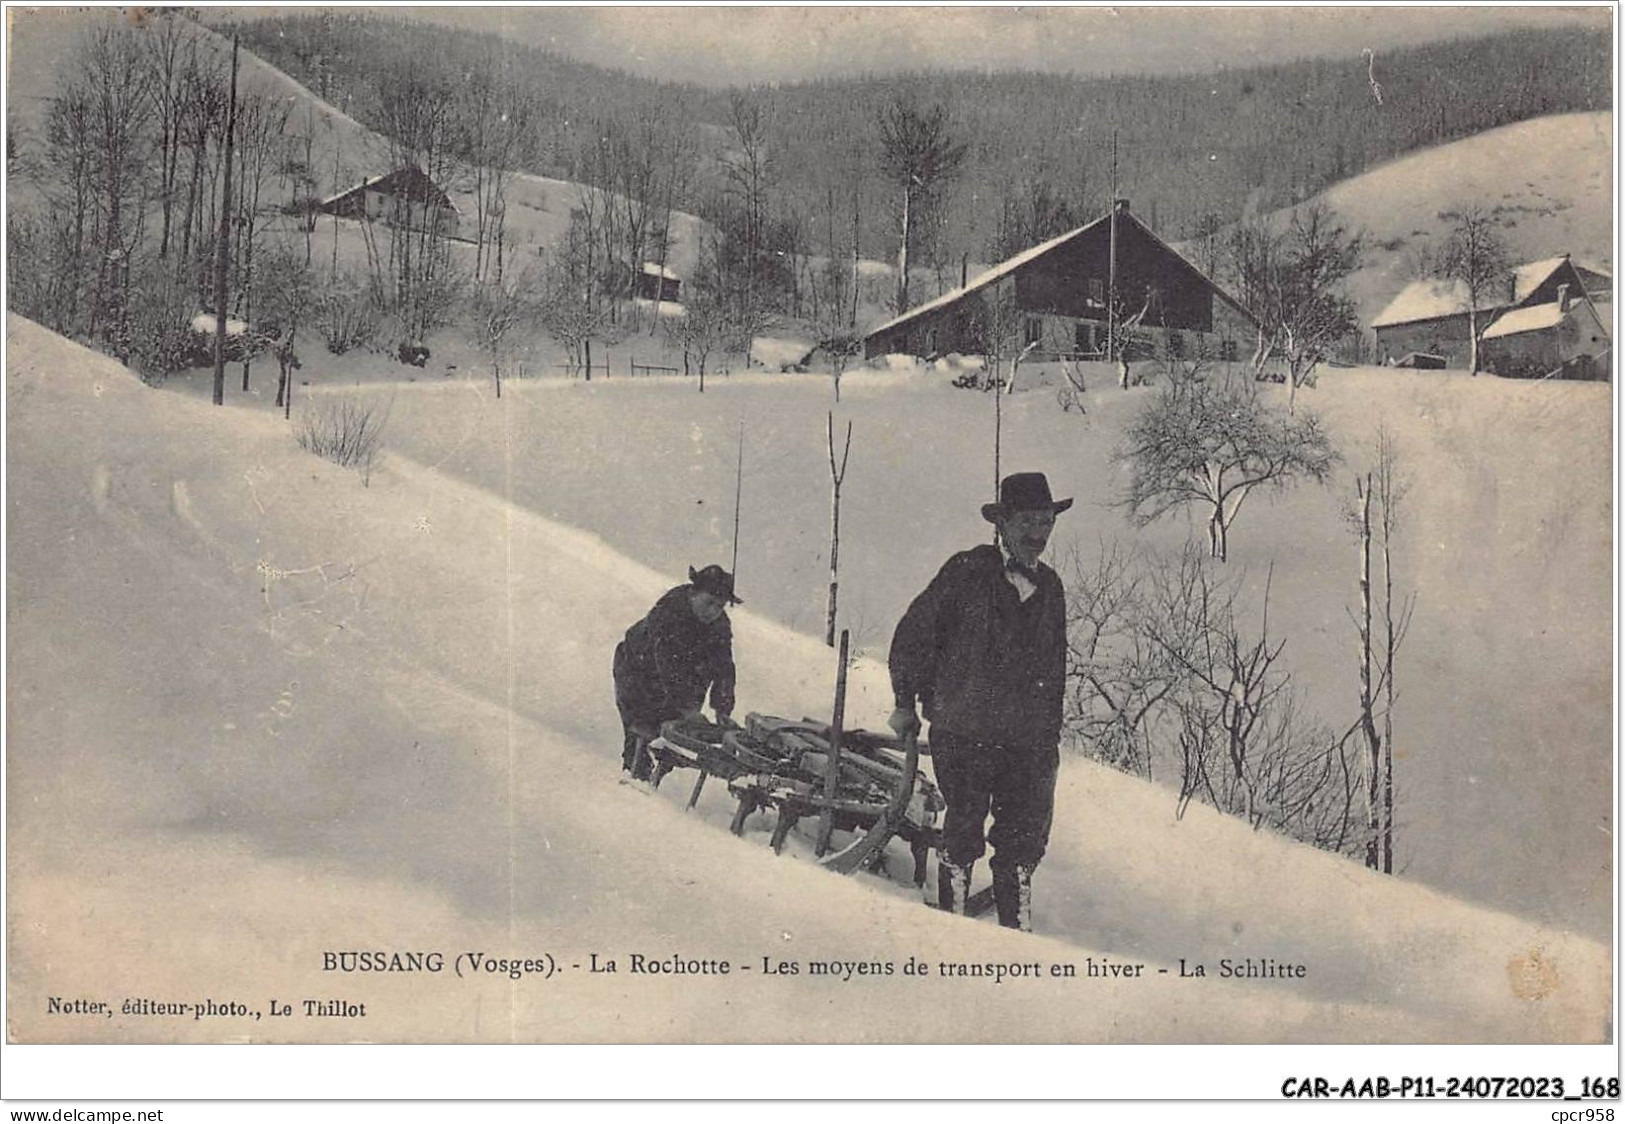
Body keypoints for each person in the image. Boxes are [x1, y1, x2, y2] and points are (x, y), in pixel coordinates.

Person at [888, 472, 1070, 931]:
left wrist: (1048, 742)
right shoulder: (967, 571)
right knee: (963, 831)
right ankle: (953, 929)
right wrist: (905, 701)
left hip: (1026, 742)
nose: (1039, 535)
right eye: (1028, 521)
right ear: (1003, 523)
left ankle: (1016, 929)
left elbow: (1054, 669)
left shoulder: (1051, 589)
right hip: (964, 729)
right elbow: (913, 635)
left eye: (1046, 522)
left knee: (1022, 841)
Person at [613, 564, 739, 780]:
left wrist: (723, 709)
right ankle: (634, 776)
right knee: (641, 730)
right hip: (637, 671)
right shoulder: (669, 611)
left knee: (674, 734)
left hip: (680, 679)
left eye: (720, 606)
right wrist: (686, 708)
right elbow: (667, 664)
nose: (713, 612)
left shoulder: (719, 625)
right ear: (693, 594)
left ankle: (660, 765)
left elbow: (724, 668)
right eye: (709, 603)